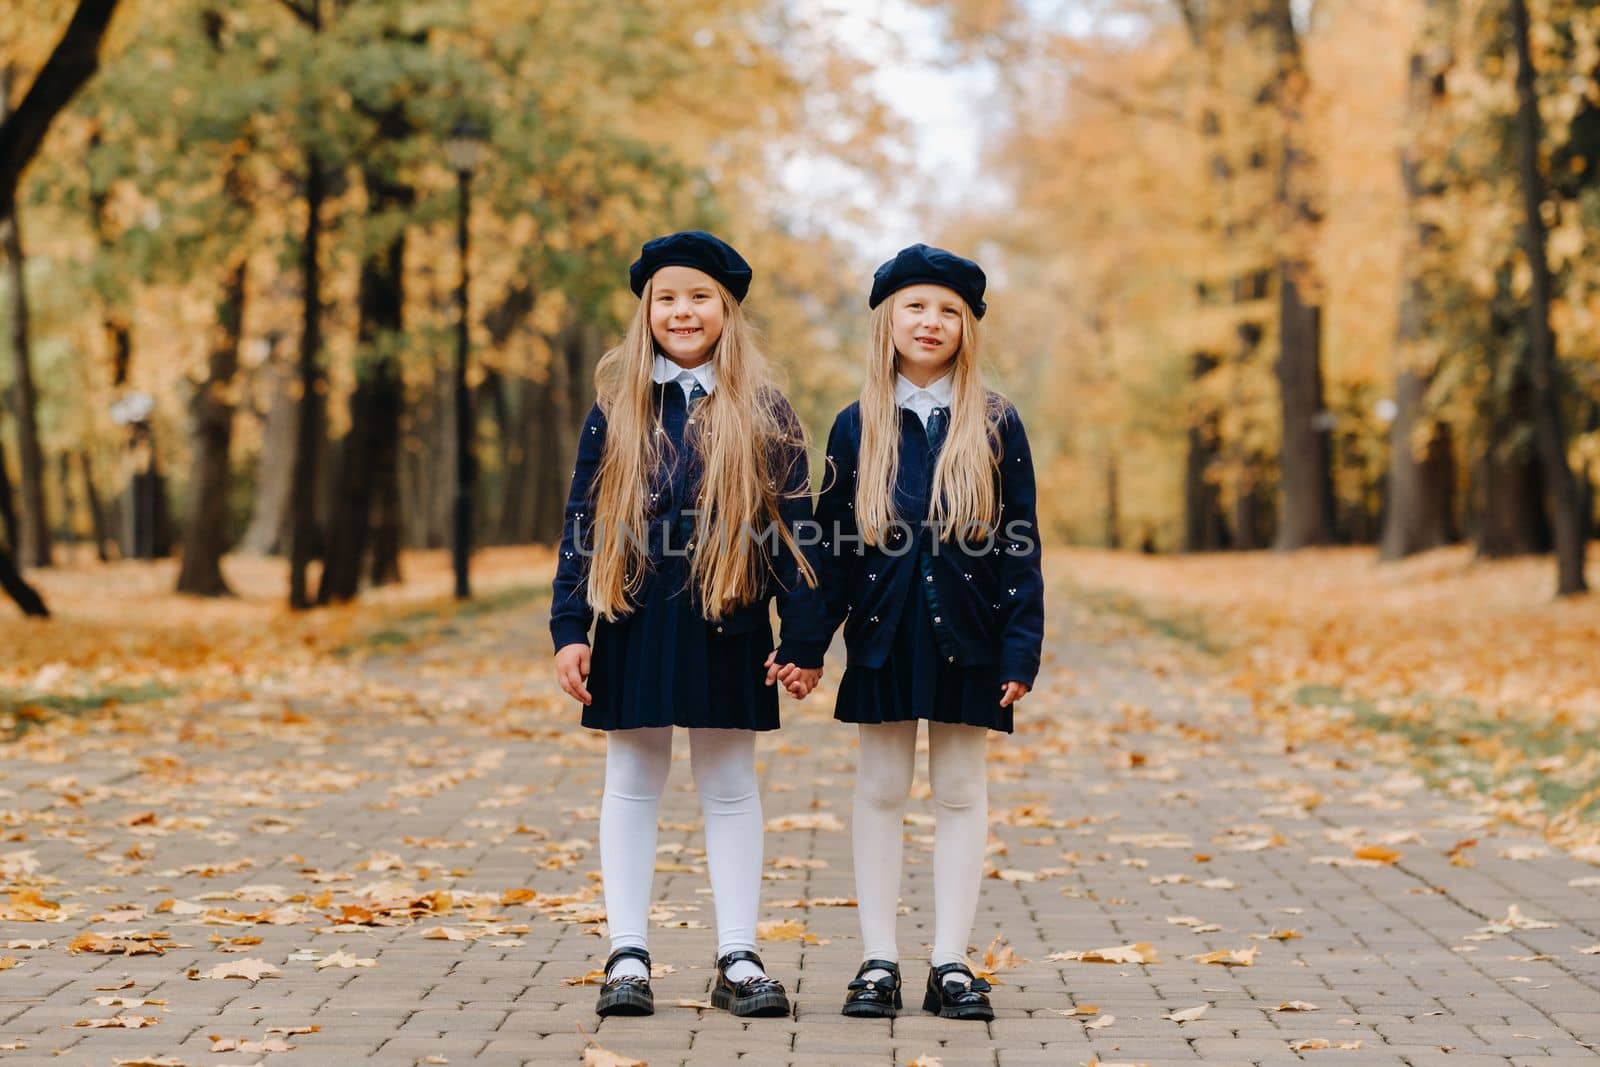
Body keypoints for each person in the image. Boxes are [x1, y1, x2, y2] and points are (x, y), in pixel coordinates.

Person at [551, 231, 825, 1018]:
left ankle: (738, 954)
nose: (682, 310)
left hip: (728, 618)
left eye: (699, 296)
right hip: (633, 616)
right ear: (646, 311)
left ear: (727, 311)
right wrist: (570, 624)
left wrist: (803, 638)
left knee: (729, 785)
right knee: (631, 783)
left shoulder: (766, 413)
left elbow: (797, 533)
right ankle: (627, 954)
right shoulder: (618, 409)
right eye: (666, 297)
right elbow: (581, 522)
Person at [811, 244, 1044, 1021]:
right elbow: (831, 550)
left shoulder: (997, 423)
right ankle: (878, 961)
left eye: (948, 309)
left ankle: (950, 961)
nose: (931, 321)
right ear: (887, 321)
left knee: (959, 791)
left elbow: (1020, 542)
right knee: (880, 790)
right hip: (883, 636)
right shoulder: (856, 426)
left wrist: (1020, 646)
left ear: (967, 328)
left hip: (971, 638)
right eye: (915, 306)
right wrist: (806, 643)